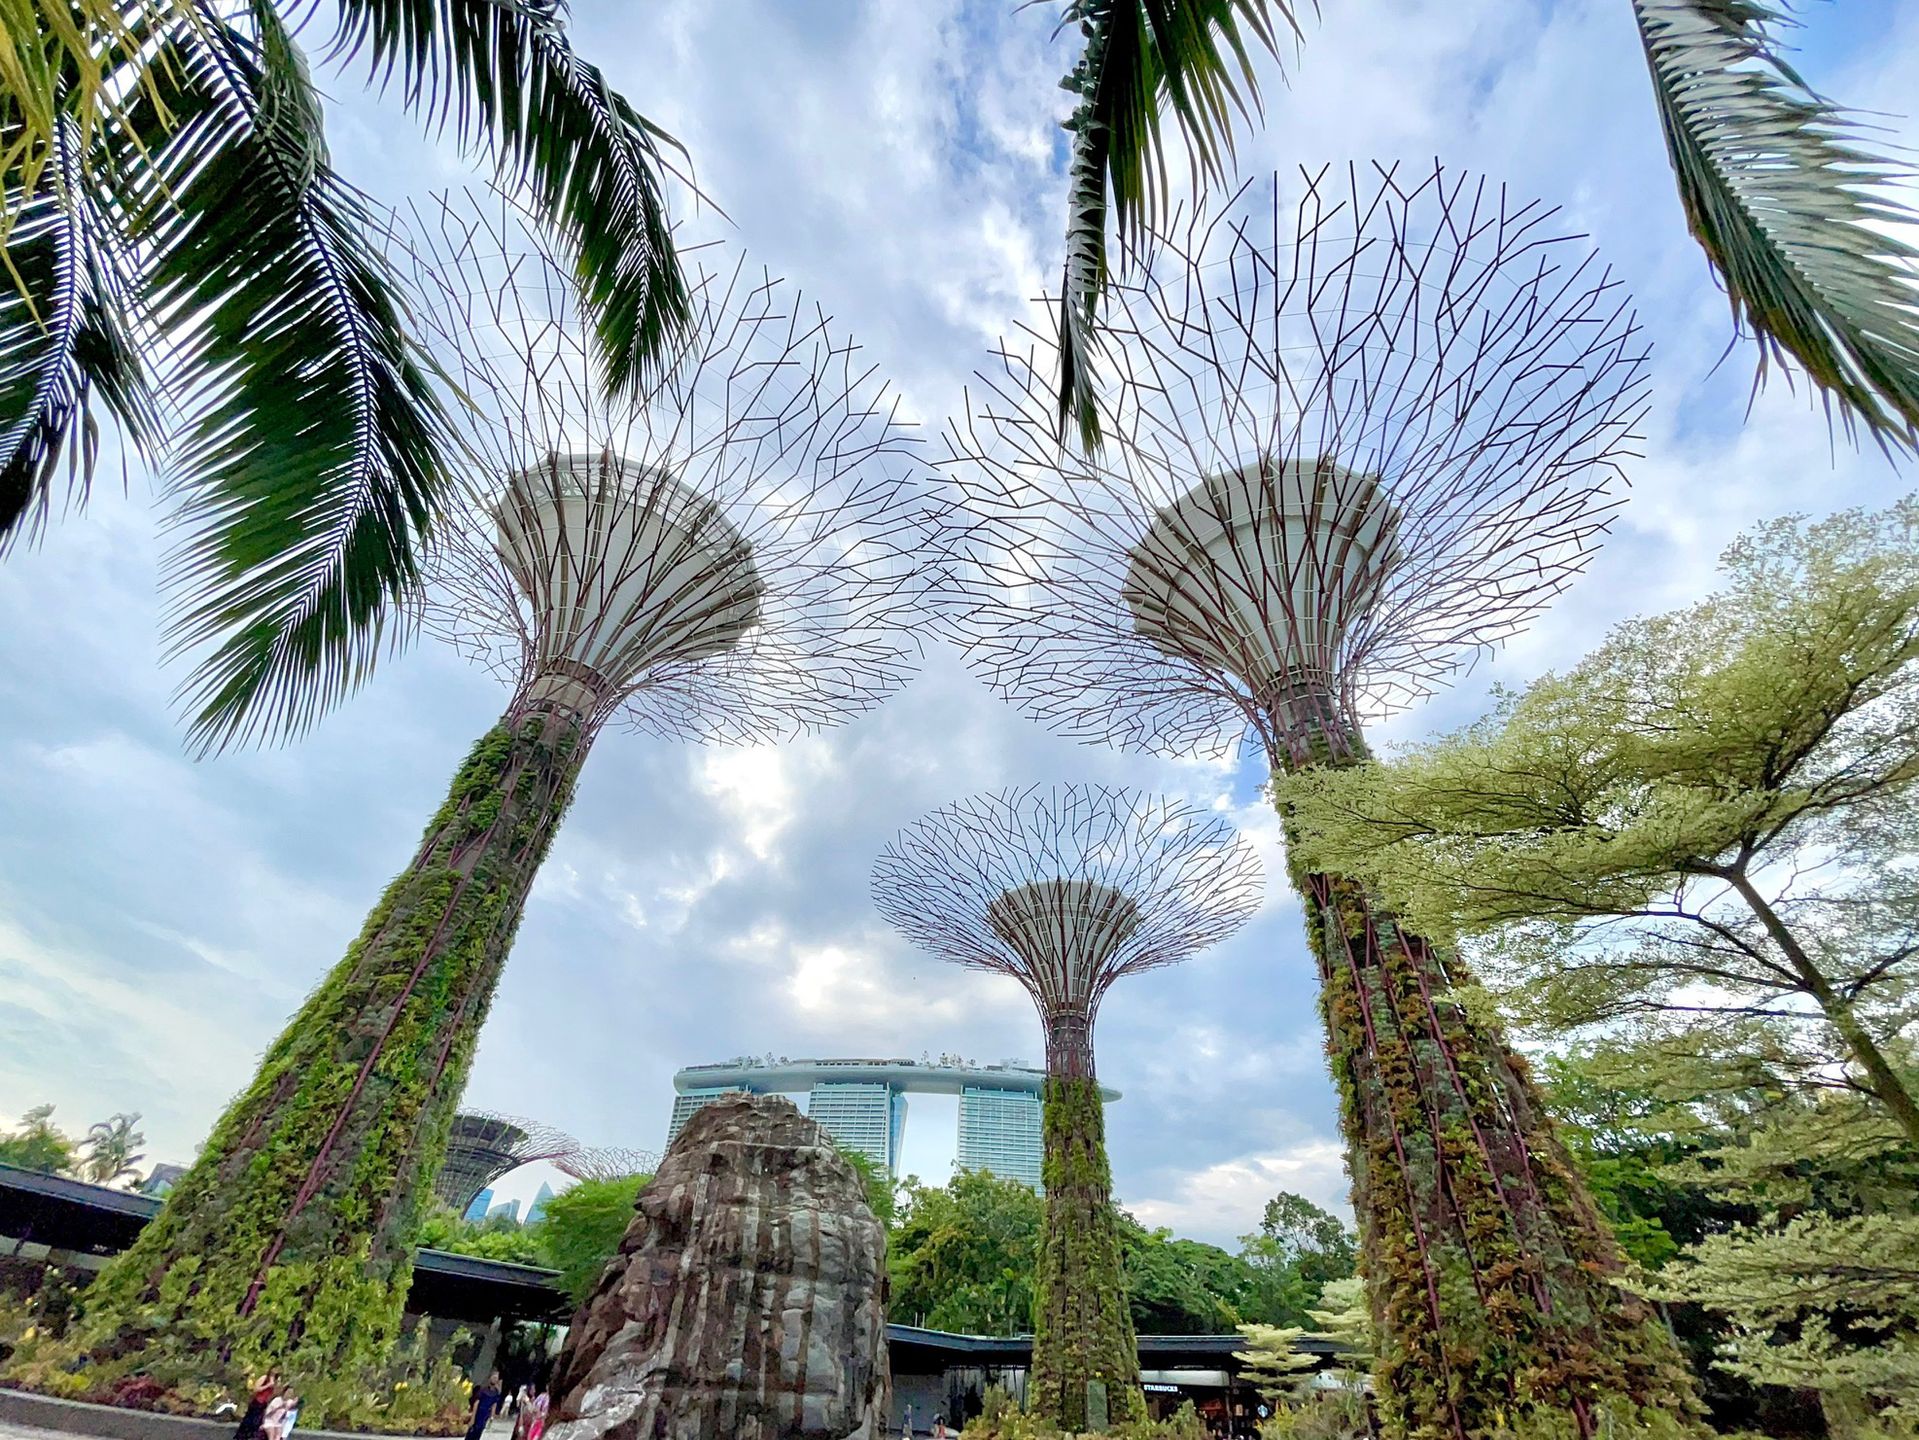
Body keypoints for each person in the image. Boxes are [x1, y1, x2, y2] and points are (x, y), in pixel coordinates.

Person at [234, 1373, 278, 1440]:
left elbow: (274, 1395)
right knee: (250, 1422)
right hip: (257, 1403)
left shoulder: (276, 1382)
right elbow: (256, 1389)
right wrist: (268, 1385)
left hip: (264, 1405)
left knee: (258, 1425)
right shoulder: (264, 1378)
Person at [465, 1373, 504, 1440]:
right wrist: (472, 1419)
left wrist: (492, 1417)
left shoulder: (496, 1393)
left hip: (485, 1416)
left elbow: (494, 1404)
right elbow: (476, 1404)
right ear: (490, 1378)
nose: (494, 1379)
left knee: (478, 1434)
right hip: (478, 1413)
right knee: (471, 1434)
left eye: (496, 1378)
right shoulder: (483, 1390)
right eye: (493, 1377)